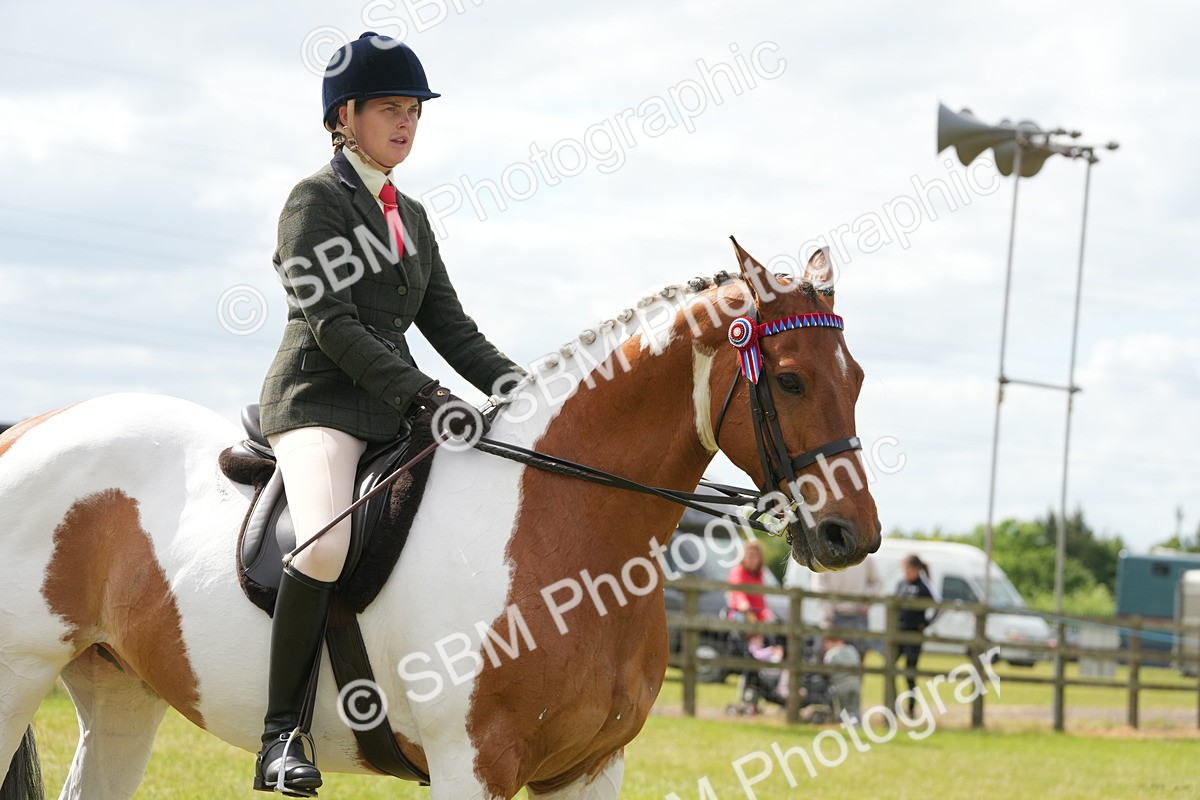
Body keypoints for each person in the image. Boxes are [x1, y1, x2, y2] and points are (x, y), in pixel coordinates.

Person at [253, 32, 524, 795]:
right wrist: (423, 394)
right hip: (318, 403)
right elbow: (333, 324)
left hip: (390, 408)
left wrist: (525, 388)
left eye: (414, 112)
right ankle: (281, 736)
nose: (406, 124)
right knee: (325, 545)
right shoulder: (315, 200)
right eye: (391, 110)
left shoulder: (409, 213)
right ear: (346, 116)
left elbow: (452, 327)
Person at [894, 554, 939, 717]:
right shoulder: (901, 584)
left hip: (914, 635)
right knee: (889, 667)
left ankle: (911, 708)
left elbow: (939, 607)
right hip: (898, 634)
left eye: (907, 568)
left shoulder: (924, 586)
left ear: (915, 569)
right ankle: (891, 705)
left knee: (910, 673)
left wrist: (926, 623)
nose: (905, 572)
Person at [811, 555, 880, 655]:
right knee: (825, 657)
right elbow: (819, 588)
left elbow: (877, 582)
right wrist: (828, 616)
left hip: (857, 616)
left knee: (858, 656)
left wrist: (867, 602)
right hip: (833, 617)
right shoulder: (824, 554)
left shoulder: (865, 558)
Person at [726, 539, 774, 623]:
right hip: (741, 613)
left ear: (759, 559)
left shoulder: (759, 575)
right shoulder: (737, 571)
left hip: (759, 615)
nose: (750, 559)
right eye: (748, 555)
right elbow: (738, 591)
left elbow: (761, 600)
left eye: (754, 556)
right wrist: (744, 604)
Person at [823, 634, 862, 724]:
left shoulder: (831, 654)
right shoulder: (851, 649)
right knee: (855, 707)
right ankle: (858, 725)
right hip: (855, 683)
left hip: (841, 685)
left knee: (844, 709)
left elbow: (828, 671)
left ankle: (847, 727)